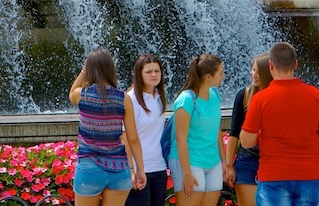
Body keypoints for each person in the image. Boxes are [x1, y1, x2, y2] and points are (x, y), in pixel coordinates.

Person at [239, 43, 319, 206]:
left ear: (270, 65)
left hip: (273, 175)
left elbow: (246, 141)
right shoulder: (315, 94)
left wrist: (261, 137)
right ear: (295, 64)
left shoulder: (260, 99)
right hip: (308, 174)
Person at [70, 48, 146, 206]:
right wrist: (140, 169)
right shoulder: (123, 99)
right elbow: (132, 138)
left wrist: (84, 71)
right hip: (118, 169)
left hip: (89, 168)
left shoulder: (81, 95)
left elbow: (71, 92)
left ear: (90, 70)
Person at [166, 54, 231, 206]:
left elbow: (216, 130)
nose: (224, 76)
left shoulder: (215, 94)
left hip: (212, 161)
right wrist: (187, 173)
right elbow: (180, 138)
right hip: (190, 162)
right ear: (209, 76)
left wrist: (223, 161)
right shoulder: (186, 100)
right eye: (221, 72)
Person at [224, 54, 273, 206]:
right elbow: (234, 133)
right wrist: (229, 165)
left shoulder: (277, 97)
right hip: (247, 162)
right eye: (252, 70)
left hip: (273, 163)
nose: (253, 74)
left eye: (257, 71)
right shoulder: (244, 96)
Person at [123, 54, 168, 206]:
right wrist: (131, 170)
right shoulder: (131, 99)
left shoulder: (158, 97)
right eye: (148, 72)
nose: (154, 75)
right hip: (139, 169)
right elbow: (126, 138)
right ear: (139, 74)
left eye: (157, 71)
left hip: (159, 166)